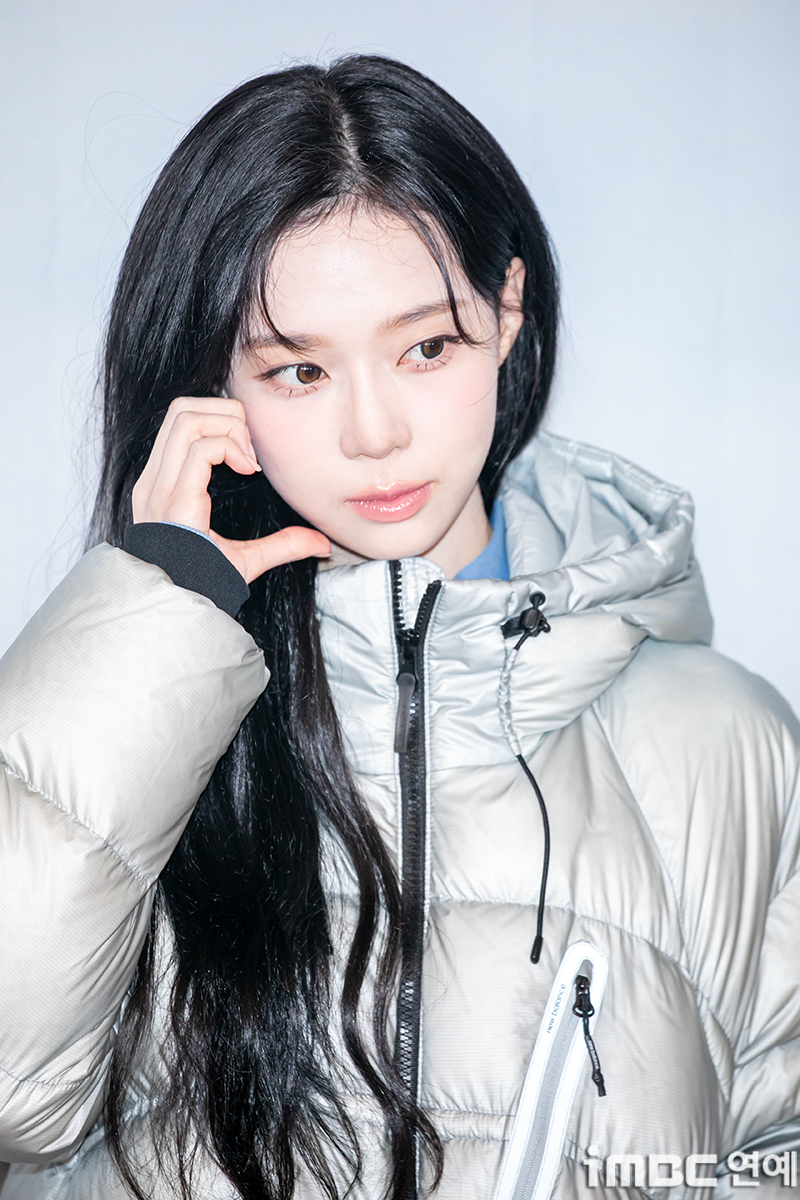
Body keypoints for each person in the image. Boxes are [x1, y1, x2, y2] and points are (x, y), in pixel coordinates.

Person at [0, 53, 798, 1200]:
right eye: (299, 371)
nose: (373, 433)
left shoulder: (727, 741)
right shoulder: (138, 714)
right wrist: (157, 608)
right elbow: (14, 1098)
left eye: (425, 347)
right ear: (214, 385)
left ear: (506, 309)